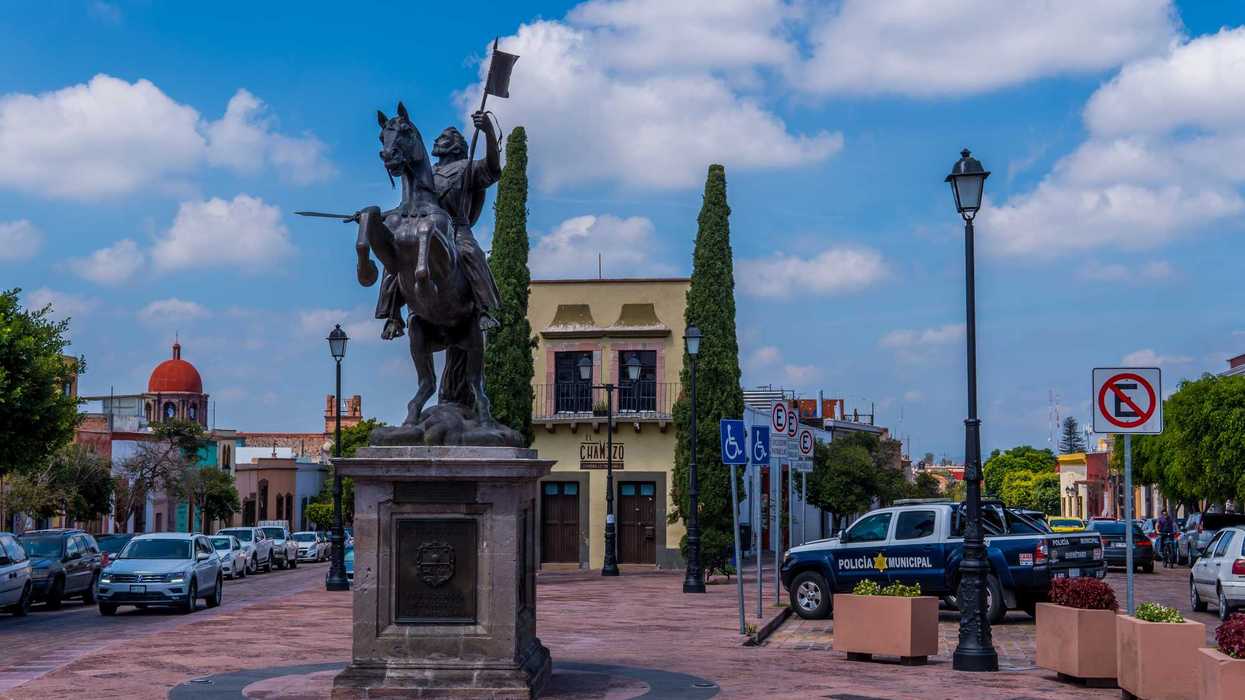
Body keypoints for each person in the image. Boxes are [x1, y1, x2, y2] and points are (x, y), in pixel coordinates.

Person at [374, 111, 503, 338]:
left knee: (471, 253)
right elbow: (406, 206)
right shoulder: (425, 172)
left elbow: (493, 169)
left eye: (444, 137)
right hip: (423, 223)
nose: (437, 140)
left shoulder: (467, 167)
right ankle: (392, 313)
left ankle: (484, 309)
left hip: (455, 229)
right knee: (398, 254)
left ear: (455, 146)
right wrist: (379, 217)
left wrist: (489, 133)